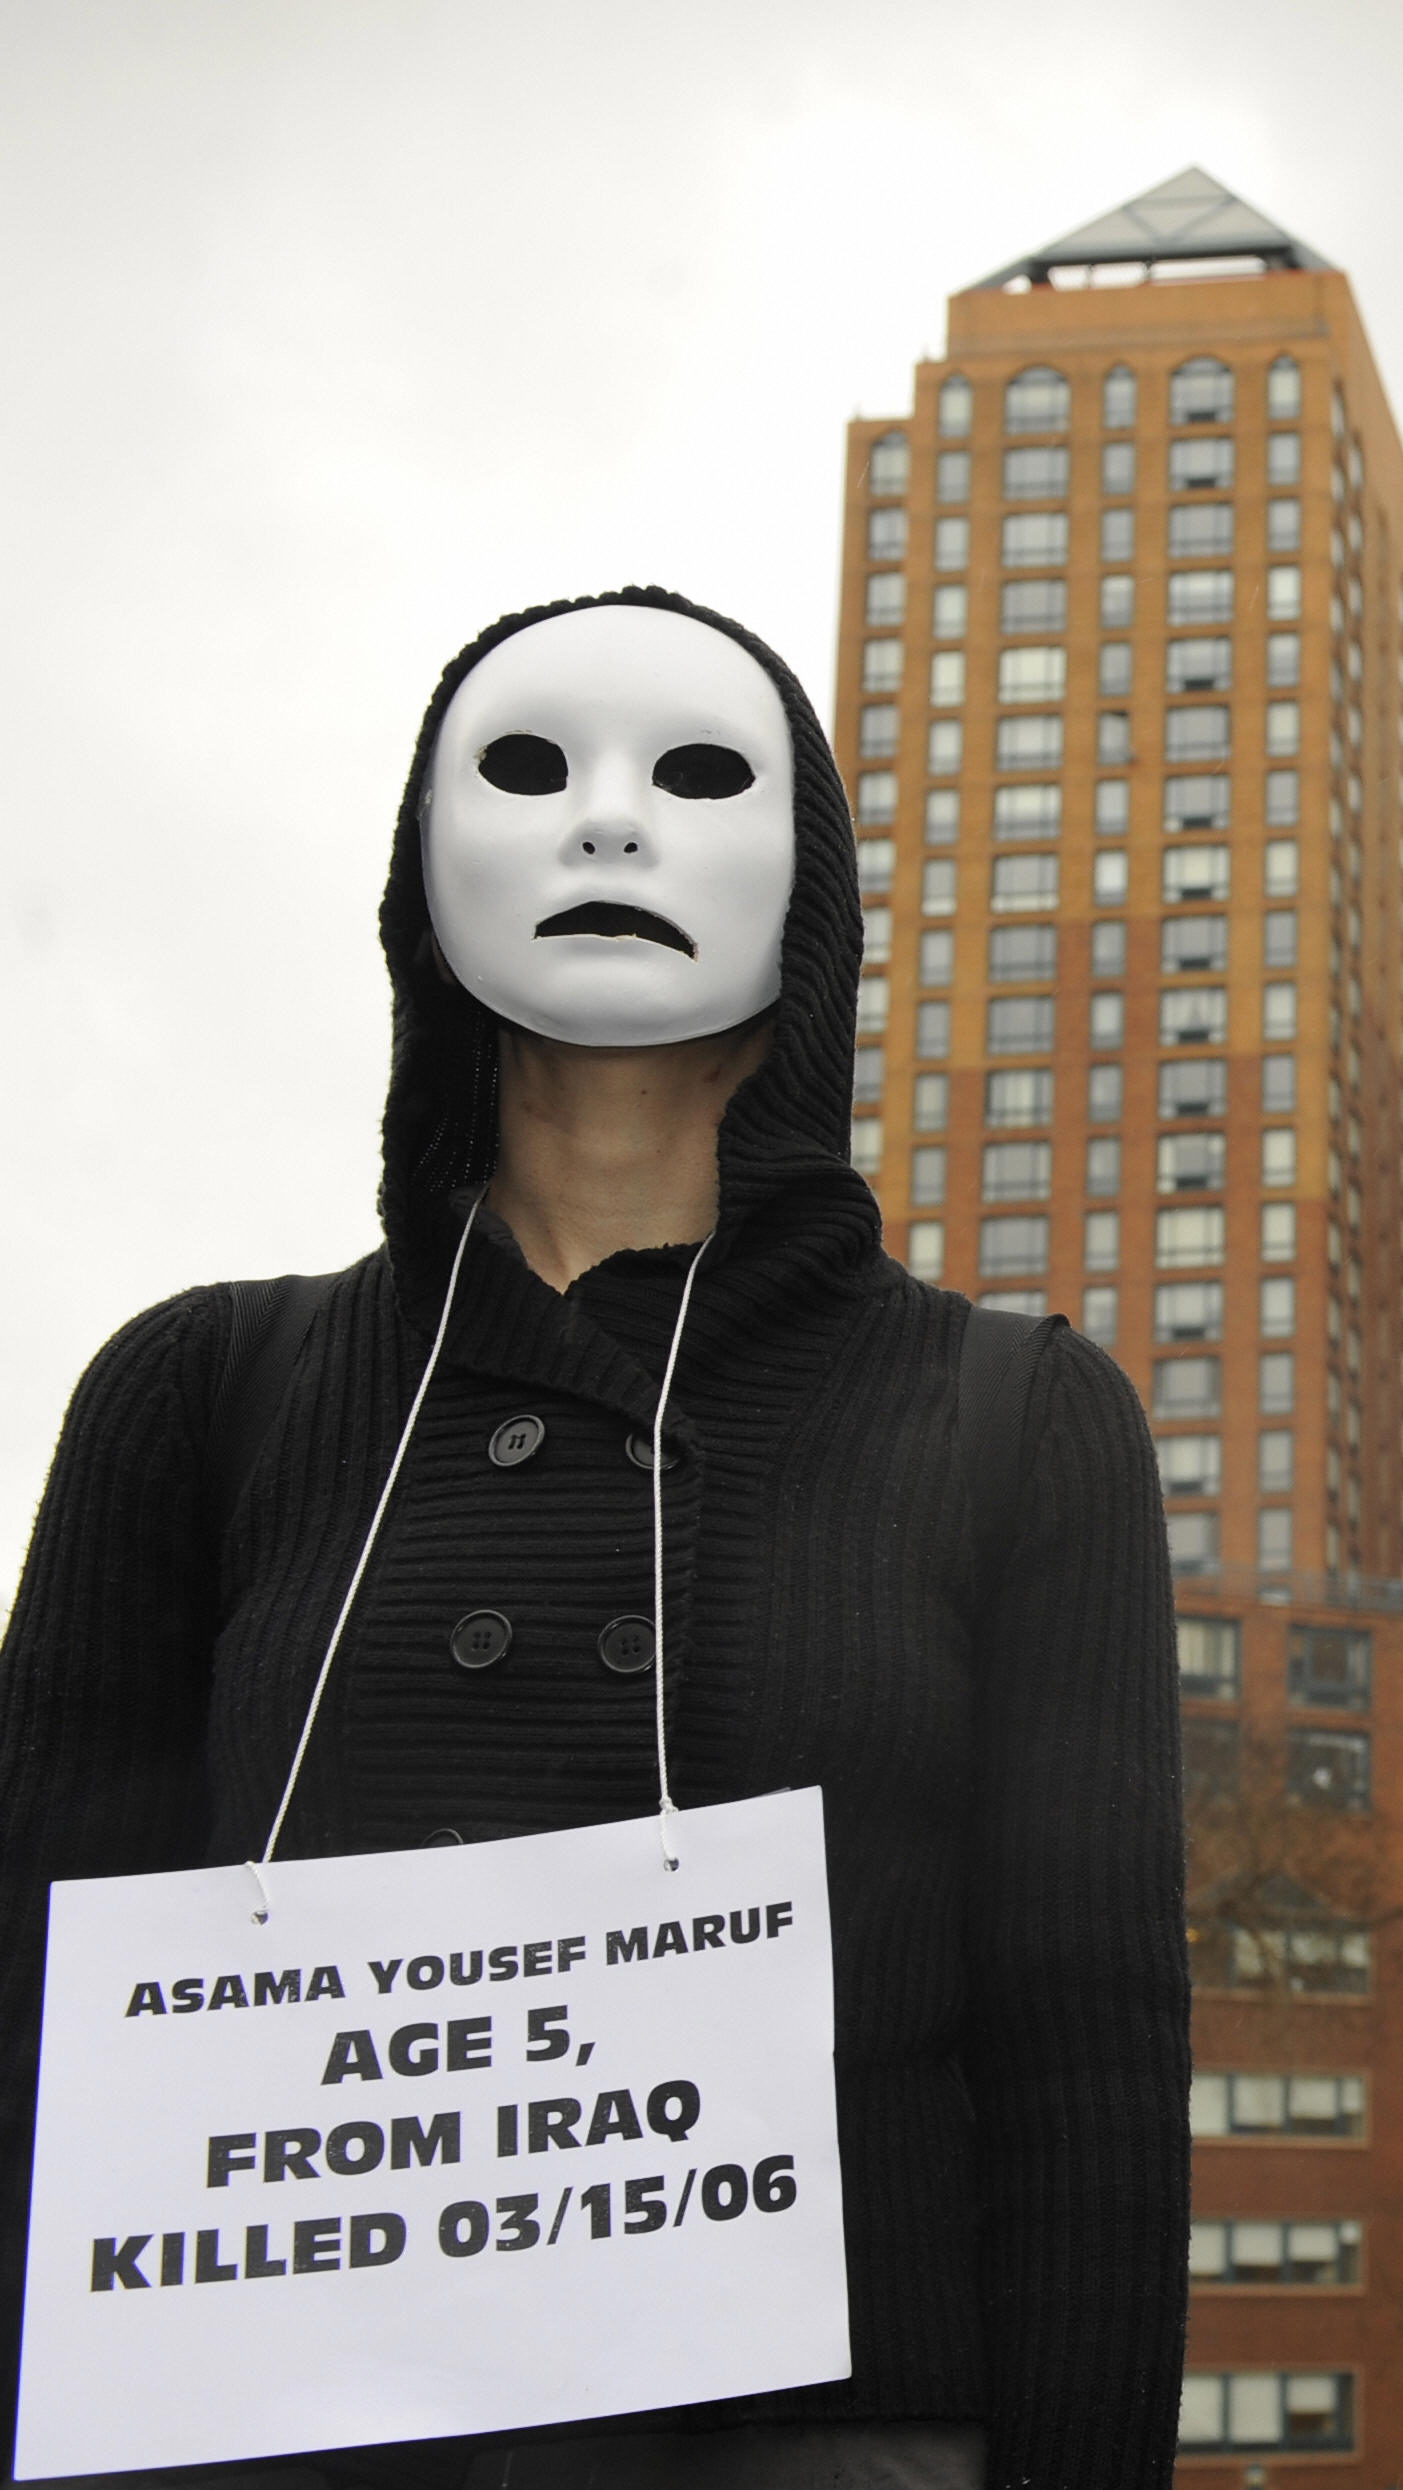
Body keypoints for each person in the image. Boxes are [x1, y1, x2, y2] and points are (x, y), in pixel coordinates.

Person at [0, 588, 1186, 2487]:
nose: (609, 822)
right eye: (530, 767)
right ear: (419, 867)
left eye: (698, 775)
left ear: (807, 892)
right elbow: (35, 2028)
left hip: (821, 2443)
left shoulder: (1021, 1421)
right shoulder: (195, 1393)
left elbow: (1088, 2070)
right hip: (264, 2424)